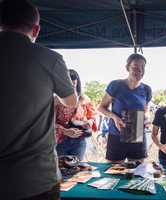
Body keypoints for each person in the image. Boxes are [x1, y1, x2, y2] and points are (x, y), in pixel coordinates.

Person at [0, 0, 78, 199]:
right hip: (36, 179)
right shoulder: (48, 58)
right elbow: (71, 101)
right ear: (36, 30)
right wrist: (49, 94)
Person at [98, 53, 152, 163]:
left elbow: (146, 111)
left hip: (138, 136)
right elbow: (101, 108)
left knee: (138, 173)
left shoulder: (147, 89)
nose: (140, 71)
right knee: (114, 173)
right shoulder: (115, 85)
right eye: (135, 67)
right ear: (127, 68)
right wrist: (114, 117)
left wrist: (146, 119)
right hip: (116, 136)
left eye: (142, 67)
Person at [55, 69, 97, 161]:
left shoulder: (84, 99)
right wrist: (65, 131)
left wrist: (89, 122)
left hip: (79, 142)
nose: (72, 88)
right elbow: (48, 123)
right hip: (60, 141)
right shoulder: (56, 100)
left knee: (78, 171)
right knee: (61, 170)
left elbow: (93, 116)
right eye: (69, 85)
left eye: (74, 85)